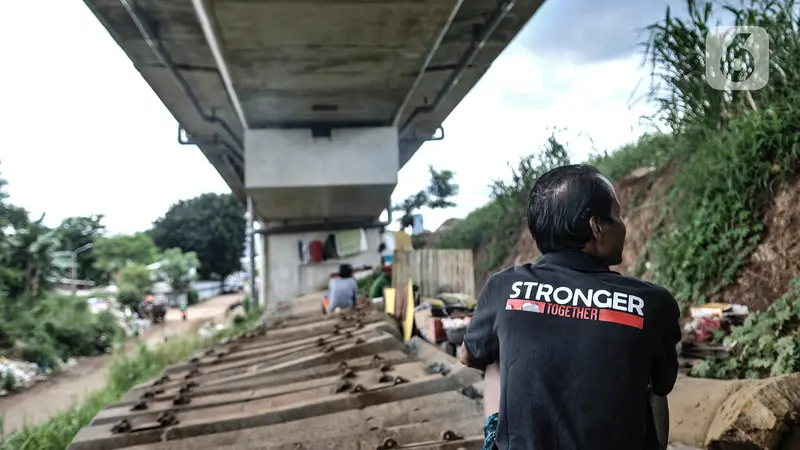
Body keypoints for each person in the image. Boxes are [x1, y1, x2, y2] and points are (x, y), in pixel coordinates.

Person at [460, 164, 681, 450]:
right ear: (597, 227)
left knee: (495, 355)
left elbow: (468, 356)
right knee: (651, 387)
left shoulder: (504, 287)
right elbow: (662, 386)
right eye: (619, 216)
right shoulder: (653, 302)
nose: (623, 225)